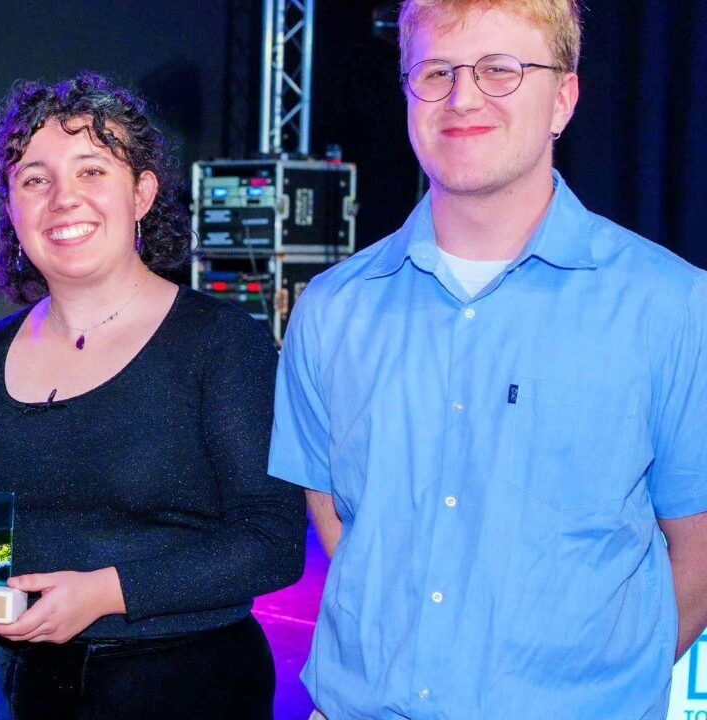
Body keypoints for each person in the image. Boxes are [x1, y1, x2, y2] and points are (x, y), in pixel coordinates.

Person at [269, 1, 707, 717]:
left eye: (500, 70)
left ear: (563, 98)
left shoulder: (672, 307)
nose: (463, 97)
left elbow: (699, 554)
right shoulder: (331, 310)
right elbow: (340, 523)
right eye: (435, 72)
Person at [0, 72, 306, 720]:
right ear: (12, 209)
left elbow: (272, 539)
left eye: (92, 171)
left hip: (190, 688)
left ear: (142, 193)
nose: (63, 199)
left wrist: (107, 593)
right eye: (35, 179)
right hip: (29, 692)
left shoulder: (220, 342)